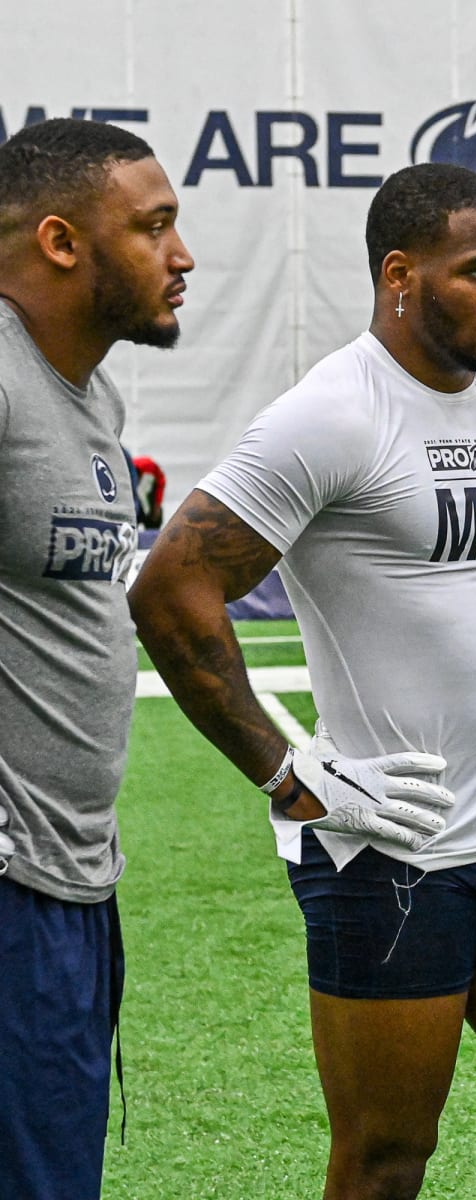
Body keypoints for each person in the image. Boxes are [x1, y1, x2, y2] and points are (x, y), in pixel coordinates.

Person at [129, 163, 476, 1200]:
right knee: (383, 1165)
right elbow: (171, 593)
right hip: (389, 852)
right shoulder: (328, 416)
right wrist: (290, 773)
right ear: (401, 276)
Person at [0, 117, 193, 1200]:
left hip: (72, 882)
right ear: (65, 242)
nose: (184, 255)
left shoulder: (92, 397)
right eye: (156, 226)